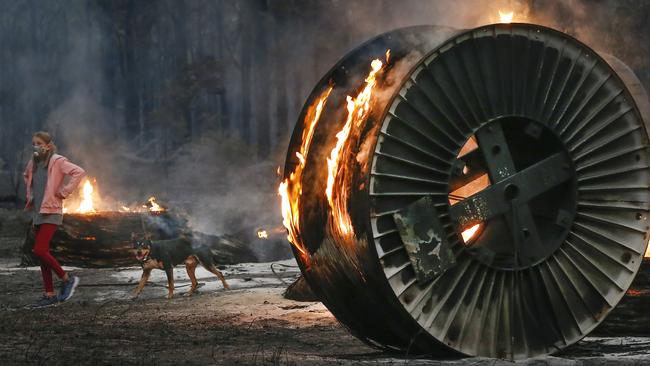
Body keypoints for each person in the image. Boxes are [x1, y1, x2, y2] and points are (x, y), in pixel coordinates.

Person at [23, 131, 85, 307]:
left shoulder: (57, 161)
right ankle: (49, 294)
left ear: (48, 145)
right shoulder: (33, 163)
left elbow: (79, 172)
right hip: (38, 212)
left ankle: (67, 279)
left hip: (52, 211)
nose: (35, 146)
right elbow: (26, 176)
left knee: (39, 250)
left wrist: (64, 191)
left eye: (39, 143)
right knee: (43, 255)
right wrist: (31, 196)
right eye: (33, 143)